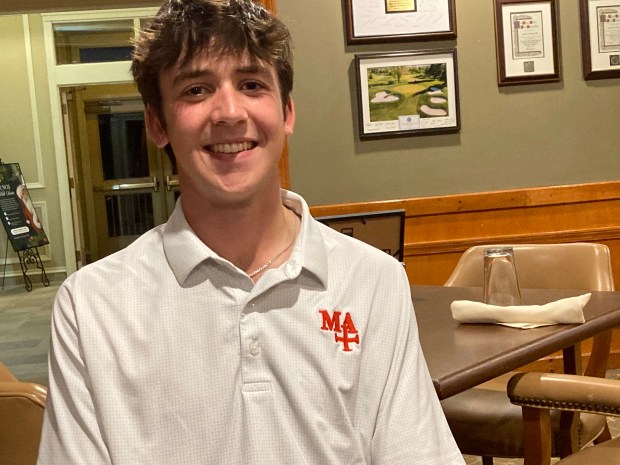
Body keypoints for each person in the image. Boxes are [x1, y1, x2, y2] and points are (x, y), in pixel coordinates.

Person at [37, 1, 465, 464]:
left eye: (251, 84)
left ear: (286, 113)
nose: (228, 111)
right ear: (157, 124)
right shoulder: (91, 305)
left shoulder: (374, 281)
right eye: (197, 89)